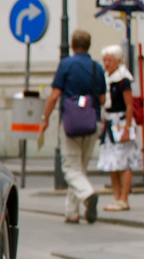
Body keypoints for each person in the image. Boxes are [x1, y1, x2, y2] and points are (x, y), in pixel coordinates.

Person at [38, 29, 107, 224]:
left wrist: (45, 119)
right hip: (91, 121)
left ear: (73, 44)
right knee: (81, 168)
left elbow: (54, 95)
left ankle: (88, 195)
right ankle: (72, 212)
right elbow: (102, 98)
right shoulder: (97, 68)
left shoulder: (66, 64)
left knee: (70, 168)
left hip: (71, 122)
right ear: (89, 45)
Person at [97, 44, 139, 213]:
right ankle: (116, 196)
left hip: (121, 121)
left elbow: (130, 105)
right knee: (112, 163)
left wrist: (127, 127)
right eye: (105, 60)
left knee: (123, 161)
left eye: (110, 60)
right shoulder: (106, 79)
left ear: (119, 61)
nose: (106, 63)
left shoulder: (123, 80)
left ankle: (124, 198)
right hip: (109, 121)